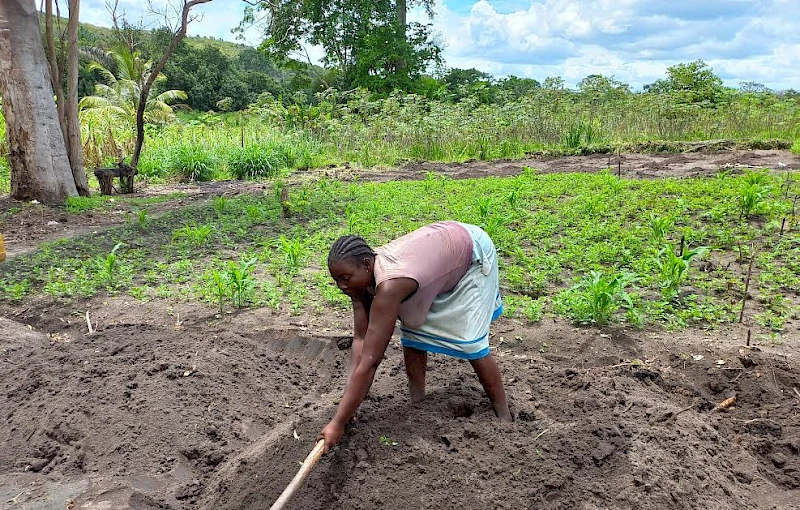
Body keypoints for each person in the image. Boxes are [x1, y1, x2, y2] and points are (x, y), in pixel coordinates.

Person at [319, 221, 512, 453]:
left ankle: (505, 417)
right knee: (413, 333)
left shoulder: (390, 286)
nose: (341, 286)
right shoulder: (358, 282)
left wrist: (338, 422)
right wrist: (348, 405)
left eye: (345, 278)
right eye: (336, 280)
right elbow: (360, 340)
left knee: (471, 343)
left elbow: (371, 360)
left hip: (471, 253)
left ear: (367, 264)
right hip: (437, 254)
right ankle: (418, 404)